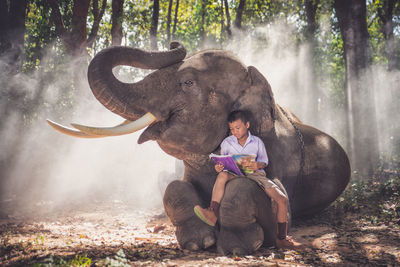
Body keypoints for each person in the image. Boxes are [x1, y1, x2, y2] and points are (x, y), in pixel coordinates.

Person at [194, 110, 302, 250]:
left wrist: (258, 164)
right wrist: (219, 167)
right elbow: (222, 161)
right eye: (232, 129)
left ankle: (282, 238)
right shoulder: (227, 143)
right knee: (222, 175)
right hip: (235, 173)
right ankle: (212, 212)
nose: (235, 132)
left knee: (282, 199)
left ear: (247, 125)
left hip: (255, 175)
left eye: (238, 128)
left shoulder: (257, 142)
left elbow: (264, 162)